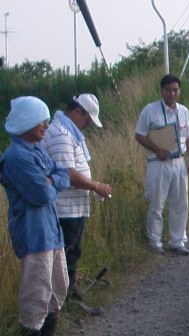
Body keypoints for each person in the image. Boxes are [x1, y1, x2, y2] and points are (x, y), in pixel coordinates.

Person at [0, 96, 71, 336]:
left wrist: (50, 181)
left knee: (57, 288)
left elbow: (63, 173)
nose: (46, 126)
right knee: (36, 296)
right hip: (34, 234)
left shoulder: (36, 149)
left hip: (51, 231)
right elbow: (41, 194)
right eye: (42, 120)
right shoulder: (16, 156)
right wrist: (51, 182)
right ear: (28, 121)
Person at [41, 93, 112, 301]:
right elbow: (68, 174)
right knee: (67, 252)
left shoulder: (68, 132)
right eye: (87, 120)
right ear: (77, 111)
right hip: (65, 209)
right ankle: (66, 296)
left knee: (71, 251)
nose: (88, 124)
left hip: (73, 207)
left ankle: (68, 289)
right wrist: (96, 186)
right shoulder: (61, 135)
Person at [135, 74, 189, 256]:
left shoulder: (184, 111)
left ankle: (177, 241)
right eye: (168, 90)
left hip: (179, 162)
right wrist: (156, 149)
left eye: (175, 90)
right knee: (157, 202)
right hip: (158, 162)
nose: (172, 93)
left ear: (179, 91)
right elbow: (139, 135)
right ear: (162, 90)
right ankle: (155, 241)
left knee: (181, 203)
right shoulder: (150, 110)